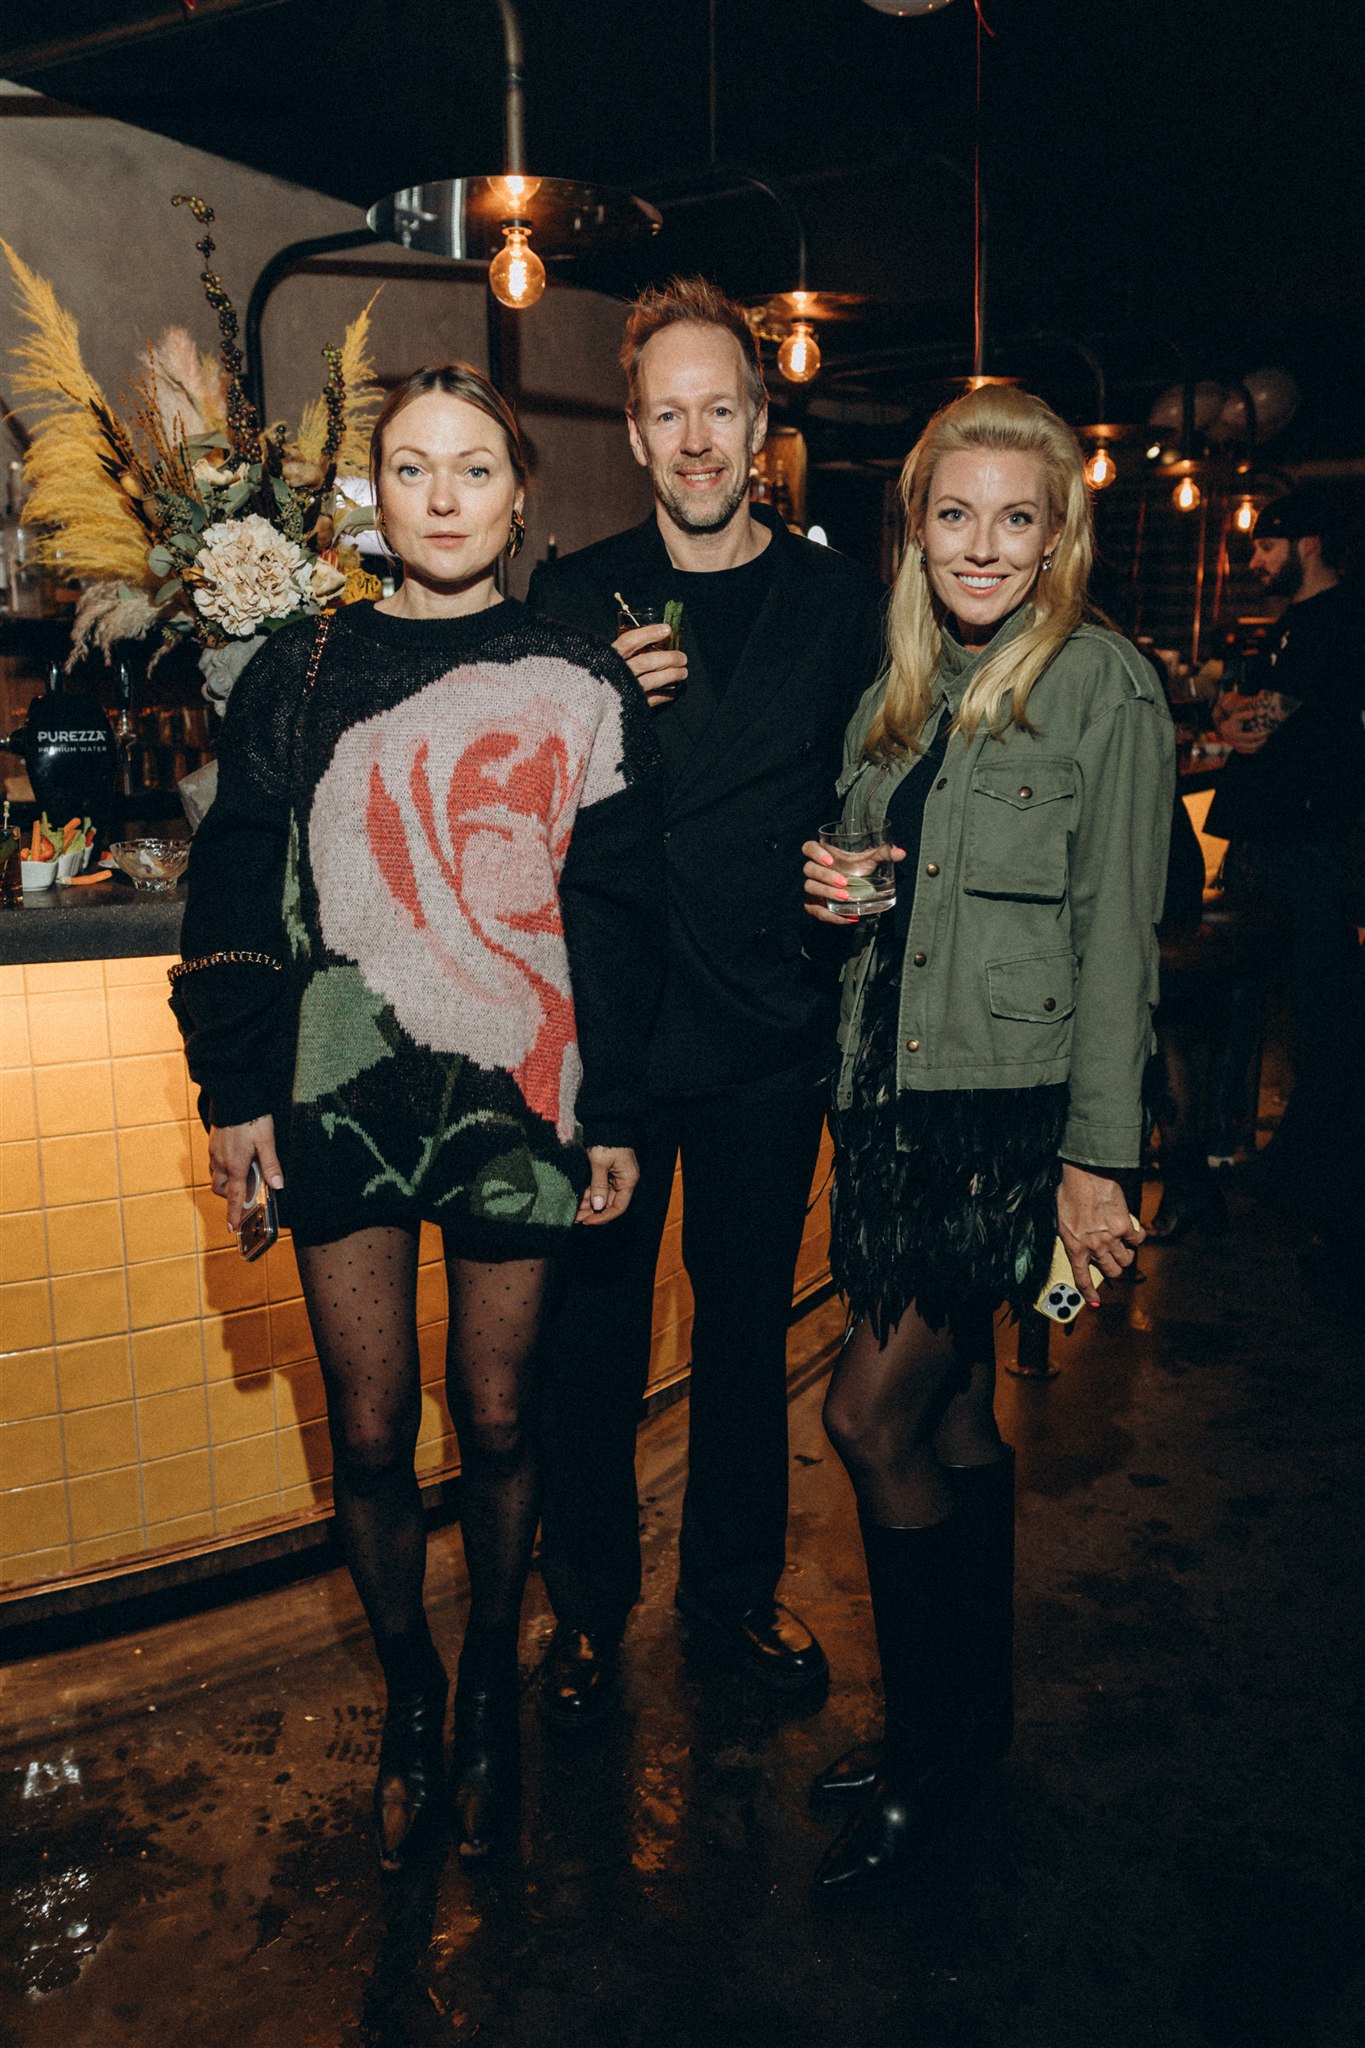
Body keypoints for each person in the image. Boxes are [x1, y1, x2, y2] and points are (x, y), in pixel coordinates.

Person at [171, 363, 664, 1870]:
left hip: (522, 1091)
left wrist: (615, 1107)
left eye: (474, 470)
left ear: (520, 499)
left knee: (501, 1415)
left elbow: (618, 913)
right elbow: (234, 887)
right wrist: (234, 1091)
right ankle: (412, 1692)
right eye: (411, 469)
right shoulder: (299, 669)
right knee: (376, 1431)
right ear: (372, 498)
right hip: (341, 1085)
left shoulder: (581, 678)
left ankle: (496, 1684)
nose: (442, 498)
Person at [802, 383, 1173, 1893]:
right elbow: (902, 886)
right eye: (955, 513)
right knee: (953, 1421)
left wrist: (1097, 1162)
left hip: (1003, 1127)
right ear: (916, 524)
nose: (981, 544)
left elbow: (1119, 941)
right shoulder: (903, 685)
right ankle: (968, 1734)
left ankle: (929, 1765)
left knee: (867, 1420)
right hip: (894, 1105)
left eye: (1016, 518)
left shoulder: (1104, 687)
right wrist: (842, 889)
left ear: (1058, 534)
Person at [526, 277, 885, 1727]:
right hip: (609, 1044)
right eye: (667, 414)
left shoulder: (838, 600)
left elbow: (884, 781)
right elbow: (512, 825)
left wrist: (870, 874)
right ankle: (586, 1610)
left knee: (745, 1336)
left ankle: (731, 1596)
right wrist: (588, 707)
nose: (694, 440)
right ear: (632, 431)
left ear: (757, 424)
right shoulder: (573, 598)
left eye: (718, 410)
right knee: (591, 1350)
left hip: (763, 1033)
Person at [1202, 489, 1364, 1153]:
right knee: (1256, 985)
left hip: (1305, 840)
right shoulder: (1298, 619)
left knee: (1307, 991)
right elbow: (1244, 709)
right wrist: (1235, 712)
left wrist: (1232, 717)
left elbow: (1249, 726)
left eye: (1267, 547)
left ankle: (1307, 1151)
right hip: (1276, 833)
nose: (1255, 561)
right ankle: (1235, 1137)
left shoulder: (1335, 616)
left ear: (1309, 546)